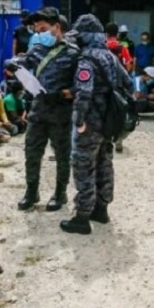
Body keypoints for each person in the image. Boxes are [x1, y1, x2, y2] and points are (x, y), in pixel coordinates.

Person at [60, 14, 131, 235]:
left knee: (83, 166)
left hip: (90, 124)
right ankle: (102, 208)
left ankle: (82, 217)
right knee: (104, 163)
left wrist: (79, 119)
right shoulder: (110, 56)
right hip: (109, 123)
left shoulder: (86, 60)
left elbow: (84, 92)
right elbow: (127, 82)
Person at [7, 8, 79, 212]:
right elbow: (23, 63)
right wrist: (13, 65)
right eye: (36, 30)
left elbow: (80, 87)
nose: (39, 33)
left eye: (44, 28)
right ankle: (31, 192)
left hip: (61, 112)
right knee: (32, 152)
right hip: (38, 110)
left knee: (62, 155)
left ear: (57, 27)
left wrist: (62, 94)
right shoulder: (36, 49)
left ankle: (60, 193)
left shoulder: (73, 53)